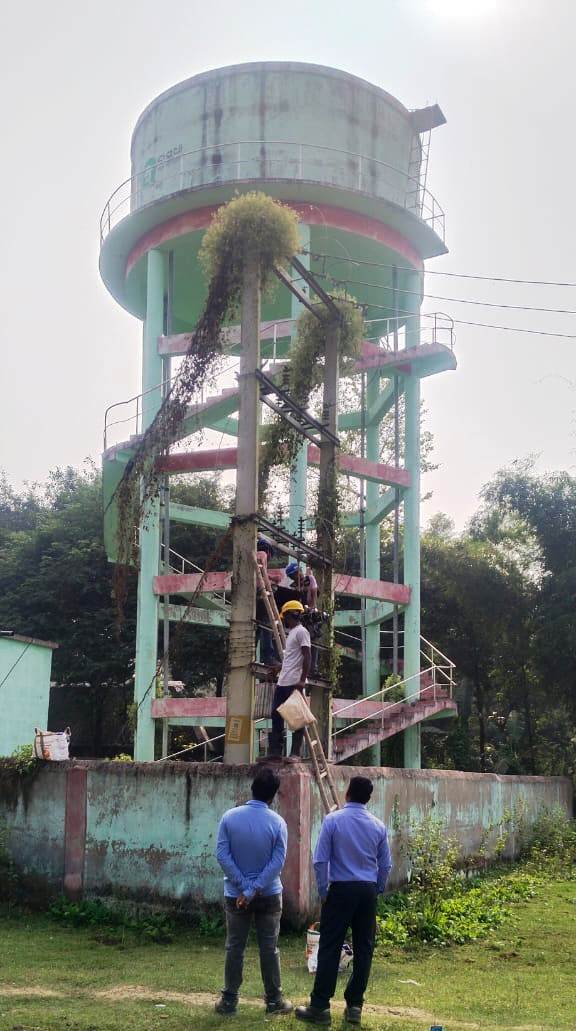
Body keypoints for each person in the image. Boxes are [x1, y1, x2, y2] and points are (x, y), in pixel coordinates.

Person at [295, 776, 392, 1026]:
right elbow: (386, 864)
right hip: (367, 891)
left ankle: (319, 1006)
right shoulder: (378, 826)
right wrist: (377, 889)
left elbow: (320, 860)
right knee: (364, 948)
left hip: (340, 890)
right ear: (369, 798)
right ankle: (355, 1006)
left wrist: (324, 891)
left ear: (347, 793)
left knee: (329, 946)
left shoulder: (333, 820)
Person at [215, 767, 293, 1016]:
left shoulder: (229, 817)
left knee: (234, 946)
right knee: (269, 947)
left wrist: (244, 888)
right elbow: (277, 862)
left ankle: (229, 1001)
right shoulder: (278, 822)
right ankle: (273, 1001)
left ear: (252, 788)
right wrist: (254, 888)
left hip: (235, 894)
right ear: (274, 795)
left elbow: (222, 855)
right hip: (268, 894)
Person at [268, 599, 311, 760]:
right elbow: (291, 658)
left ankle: (295, 753)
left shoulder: (301, 632)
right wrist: (277, 668)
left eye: (285, 616)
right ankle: (275, 752)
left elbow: (307, 656)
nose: (284, 619)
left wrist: (302, 680)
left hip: (294, 681)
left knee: (297, 717)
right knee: (276, 713)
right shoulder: (292, 633)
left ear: (291, 614)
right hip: (283, 681)